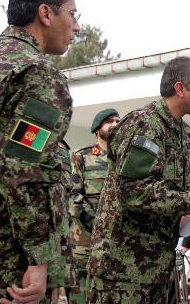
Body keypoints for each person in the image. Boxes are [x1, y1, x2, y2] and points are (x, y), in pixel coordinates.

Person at [87, 56, 190, 303]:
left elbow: (189, 187)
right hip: (122, 269)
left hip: (158, 267)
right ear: (180, 88)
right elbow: (132, 191)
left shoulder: (185, 134)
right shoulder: (144, 124)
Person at [0, 0, 80, 303]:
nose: (77, 26)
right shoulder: (36, 72)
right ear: (46, 13)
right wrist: (39, 259)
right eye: (73, 14)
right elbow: (23, 170)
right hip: (3, 260)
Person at [68, 108, 120, 303]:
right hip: (85, 243)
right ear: (97, 129)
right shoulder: (81, 156)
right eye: (109, 121)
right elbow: (73, 196)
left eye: (117, 121)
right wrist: (99, 224)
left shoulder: (126, 159)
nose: (115, 124)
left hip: (116, 245)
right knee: (80, 297)